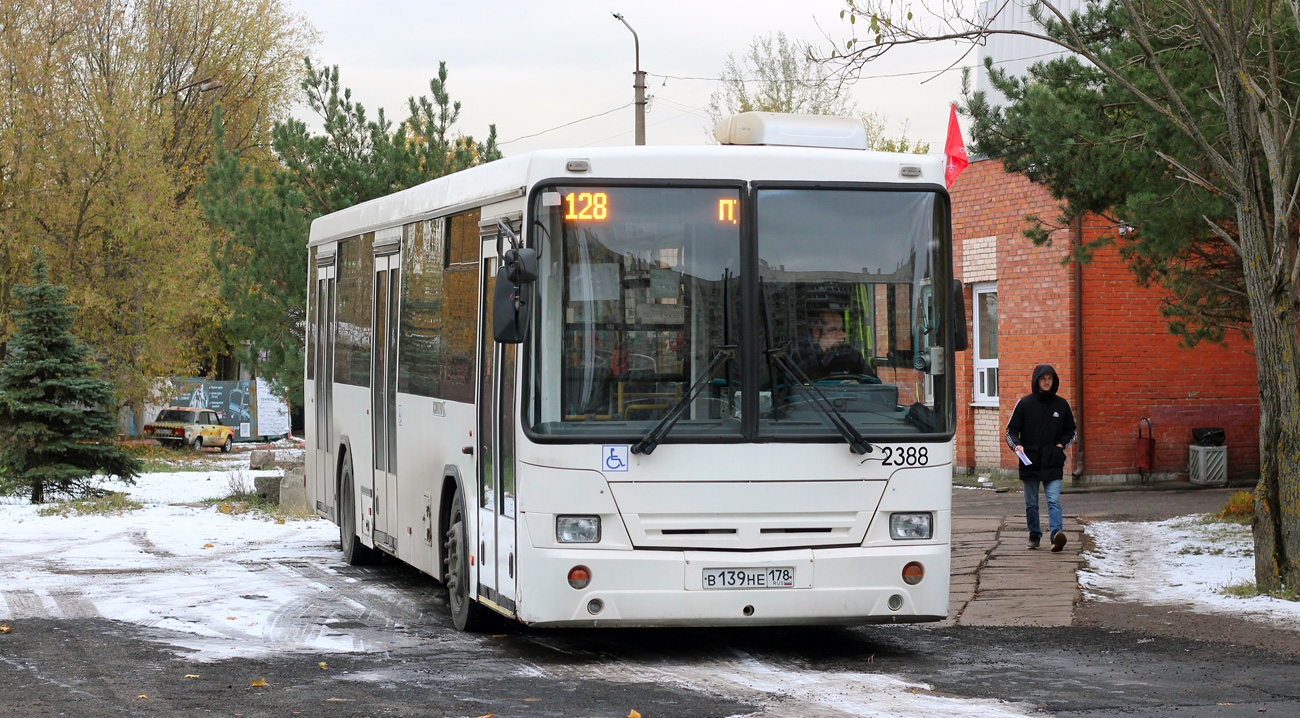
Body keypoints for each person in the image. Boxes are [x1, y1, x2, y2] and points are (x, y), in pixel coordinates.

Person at [1005, 364, 1077, 551]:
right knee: (1032, 503)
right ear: (1036, 381)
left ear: (1054, 381)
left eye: (1050, 378)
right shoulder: (1024, 404)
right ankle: (1035, 534)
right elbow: (1010, 430)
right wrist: (1017, 445)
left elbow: (1071, 430)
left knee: (1053, 500)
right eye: (1043, 378)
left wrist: (1061, 445)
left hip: (1053, 461)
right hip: (1030, 461)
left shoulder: (1061, 405)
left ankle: (1056, 535)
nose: (1046, 382)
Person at [792, 309, 875, 382]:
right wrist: (820, 351)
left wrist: (859, 383)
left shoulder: (850, 353)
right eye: (833, 330)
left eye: (841, 329)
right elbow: (793, 380)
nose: (842, 335)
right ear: (816, 332)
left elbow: (874, 382)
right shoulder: (796, 351)